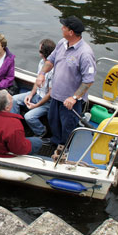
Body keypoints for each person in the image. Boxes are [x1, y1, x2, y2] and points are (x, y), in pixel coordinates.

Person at [35, 16, 96, 147]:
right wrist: (42, 74)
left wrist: (74, 98)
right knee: (53, 120)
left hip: (70, 102)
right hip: (55, 95)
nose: (61, 28)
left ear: (71, 32)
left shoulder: (85, 54)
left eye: (64, 27)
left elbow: (88, 81)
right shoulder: (62, 43)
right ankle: (55, 141)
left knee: (67, 126)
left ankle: (64, 147)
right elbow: (50, 60)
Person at [10, 39, 56, 138]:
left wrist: (36, 105)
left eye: (40, 51)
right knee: (13, 100)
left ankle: (42, 132)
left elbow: (50, 94)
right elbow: (37, 80)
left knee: (29, 117)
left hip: (47, 102)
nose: (39, 54)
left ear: (45, 53)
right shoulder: (41, 62)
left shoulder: (55, 70)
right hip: (37, 94)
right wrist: (30, 94)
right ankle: (15, 125)